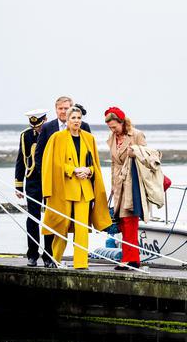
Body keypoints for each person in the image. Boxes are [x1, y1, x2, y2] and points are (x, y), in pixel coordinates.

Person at [40, 107, 112, 269]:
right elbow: (52, 163)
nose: (76, 121)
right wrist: (73, 170)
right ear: (67, 119)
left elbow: (94, 165)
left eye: (79, 117)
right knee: (62, 225)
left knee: (81, 228)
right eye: (73, 117)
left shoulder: (89, 138)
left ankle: (81, 264)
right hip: (64, 190)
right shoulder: (56, 138)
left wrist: (88, 170)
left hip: (84, 190)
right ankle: (55, 259)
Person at [105, 106, 148, 270]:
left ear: (122, 122)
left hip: (134, 184)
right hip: (119, 184)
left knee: (130, 220)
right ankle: (131, 258)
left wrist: (135, 152)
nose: (113, 130)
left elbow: (148, 158)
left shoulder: (136, 135)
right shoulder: (112, 138)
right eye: (110, 128)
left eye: (115, 127)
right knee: (122, 222)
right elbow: (114, 164)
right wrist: (112, 185)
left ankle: (130, 259)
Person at [14, 109, 52, 266]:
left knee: (50, 219)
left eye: (39, 126)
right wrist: (18, 185)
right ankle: (32, 254)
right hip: (33, 181)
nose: (36, 129)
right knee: (33, 218)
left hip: (49, 180)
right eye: (34, 127)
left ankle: (49, 256)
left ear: (45, 120)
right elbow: (21, 160)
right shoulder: (26, 136)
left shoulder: (52, 133)